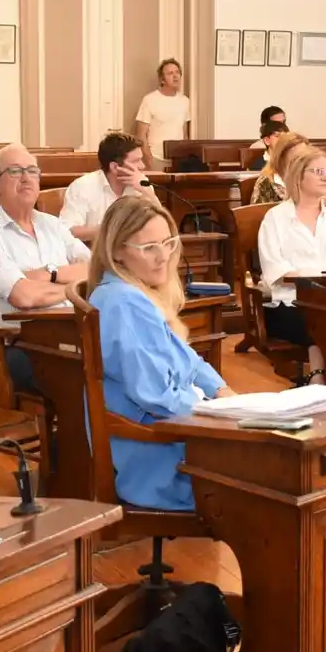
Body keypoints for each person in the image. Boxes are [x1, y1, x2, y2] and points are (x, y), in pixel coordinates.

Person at [89, 196, 234, 510]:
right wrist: (221, 415)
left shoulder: (134, 293)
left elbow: (188, 360)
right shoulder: (125, 303)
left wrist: (222, 391)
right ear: (117, 252)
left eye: (168, 243)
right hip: (162, 461)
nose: (164, 256)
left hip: (178, 439)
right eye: (149, 247)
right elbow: (157, 397)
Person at [0, 145, 91, 392]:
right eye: (15, 171)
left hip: (74, 330)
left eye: (32, 171)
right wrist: (73, 287)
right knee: (95, 371)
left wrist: (49, 274)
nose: (26, 178)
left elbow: (97, 269)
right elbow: (23, 297)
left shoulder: (52, 224)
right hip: (25, 344)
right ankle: (81, 430)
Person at [258, 147, 326, 384]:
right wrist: (314, 285)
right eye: (318, 171)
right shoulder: (275, 217)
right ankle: (319, 376)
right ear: (298, 176)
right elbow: (275, 269)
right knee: (318, 320)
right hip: (290, 300)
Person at [60, 132, 155, 242]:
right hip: (93, 253)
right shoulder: (83, 186)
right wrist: (113, 231)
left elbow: (161, 225)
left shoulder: (141, 183)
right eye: (136, 161)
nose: (142, 166)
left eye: (141, 159)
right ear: (115, 167)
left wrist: (148, 193)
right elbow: (69, 231)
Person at [134, 58, 190, 169]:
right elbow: (141, 134)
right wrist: (148, 158)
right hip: (156, 158)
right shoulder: (149, 100)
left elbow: (185, 133)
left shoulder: (185, 101)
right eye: (170, 73)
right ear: (162, 80)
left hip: (178, 160)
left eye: (177, 72)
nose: (175, 76)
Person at [251, 131, 309, 205]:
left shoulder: (310, 177)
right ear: (281, 156)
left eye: (304, 155)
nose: (300, 160)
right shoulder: (266, 182)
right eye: (296, 155)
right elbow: (257, 214)